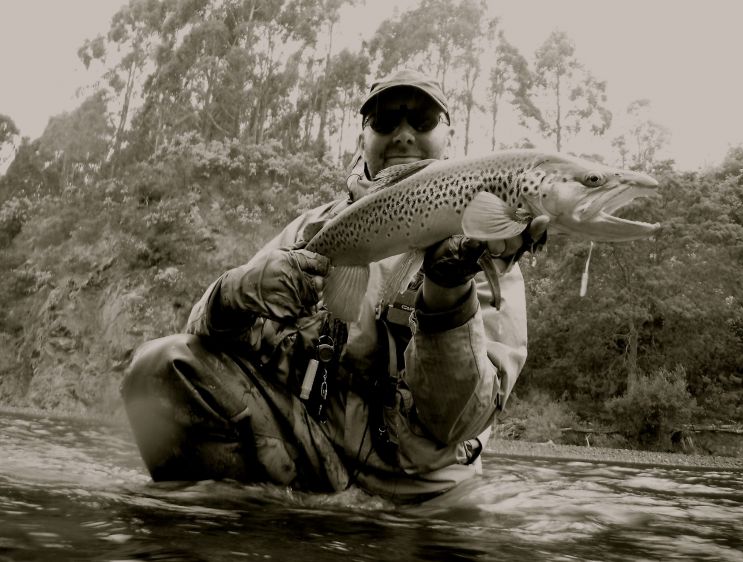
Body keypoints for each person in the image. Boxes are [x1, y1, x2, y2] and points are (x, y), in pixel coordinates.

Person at [121, 68, 548, 502]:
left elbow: (457, 423)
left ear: (448, 136)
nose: (402, 135)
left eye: (421, 120)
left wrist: (450, 290)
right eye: (383, 121)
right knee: (160, 367)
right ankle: (239, 531)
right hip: (314, 467)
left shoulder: (489, 247)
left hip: (425, 499)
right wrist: (236, 291)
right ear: (363, 136)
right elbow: (203, 338)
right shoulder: (312, 229)